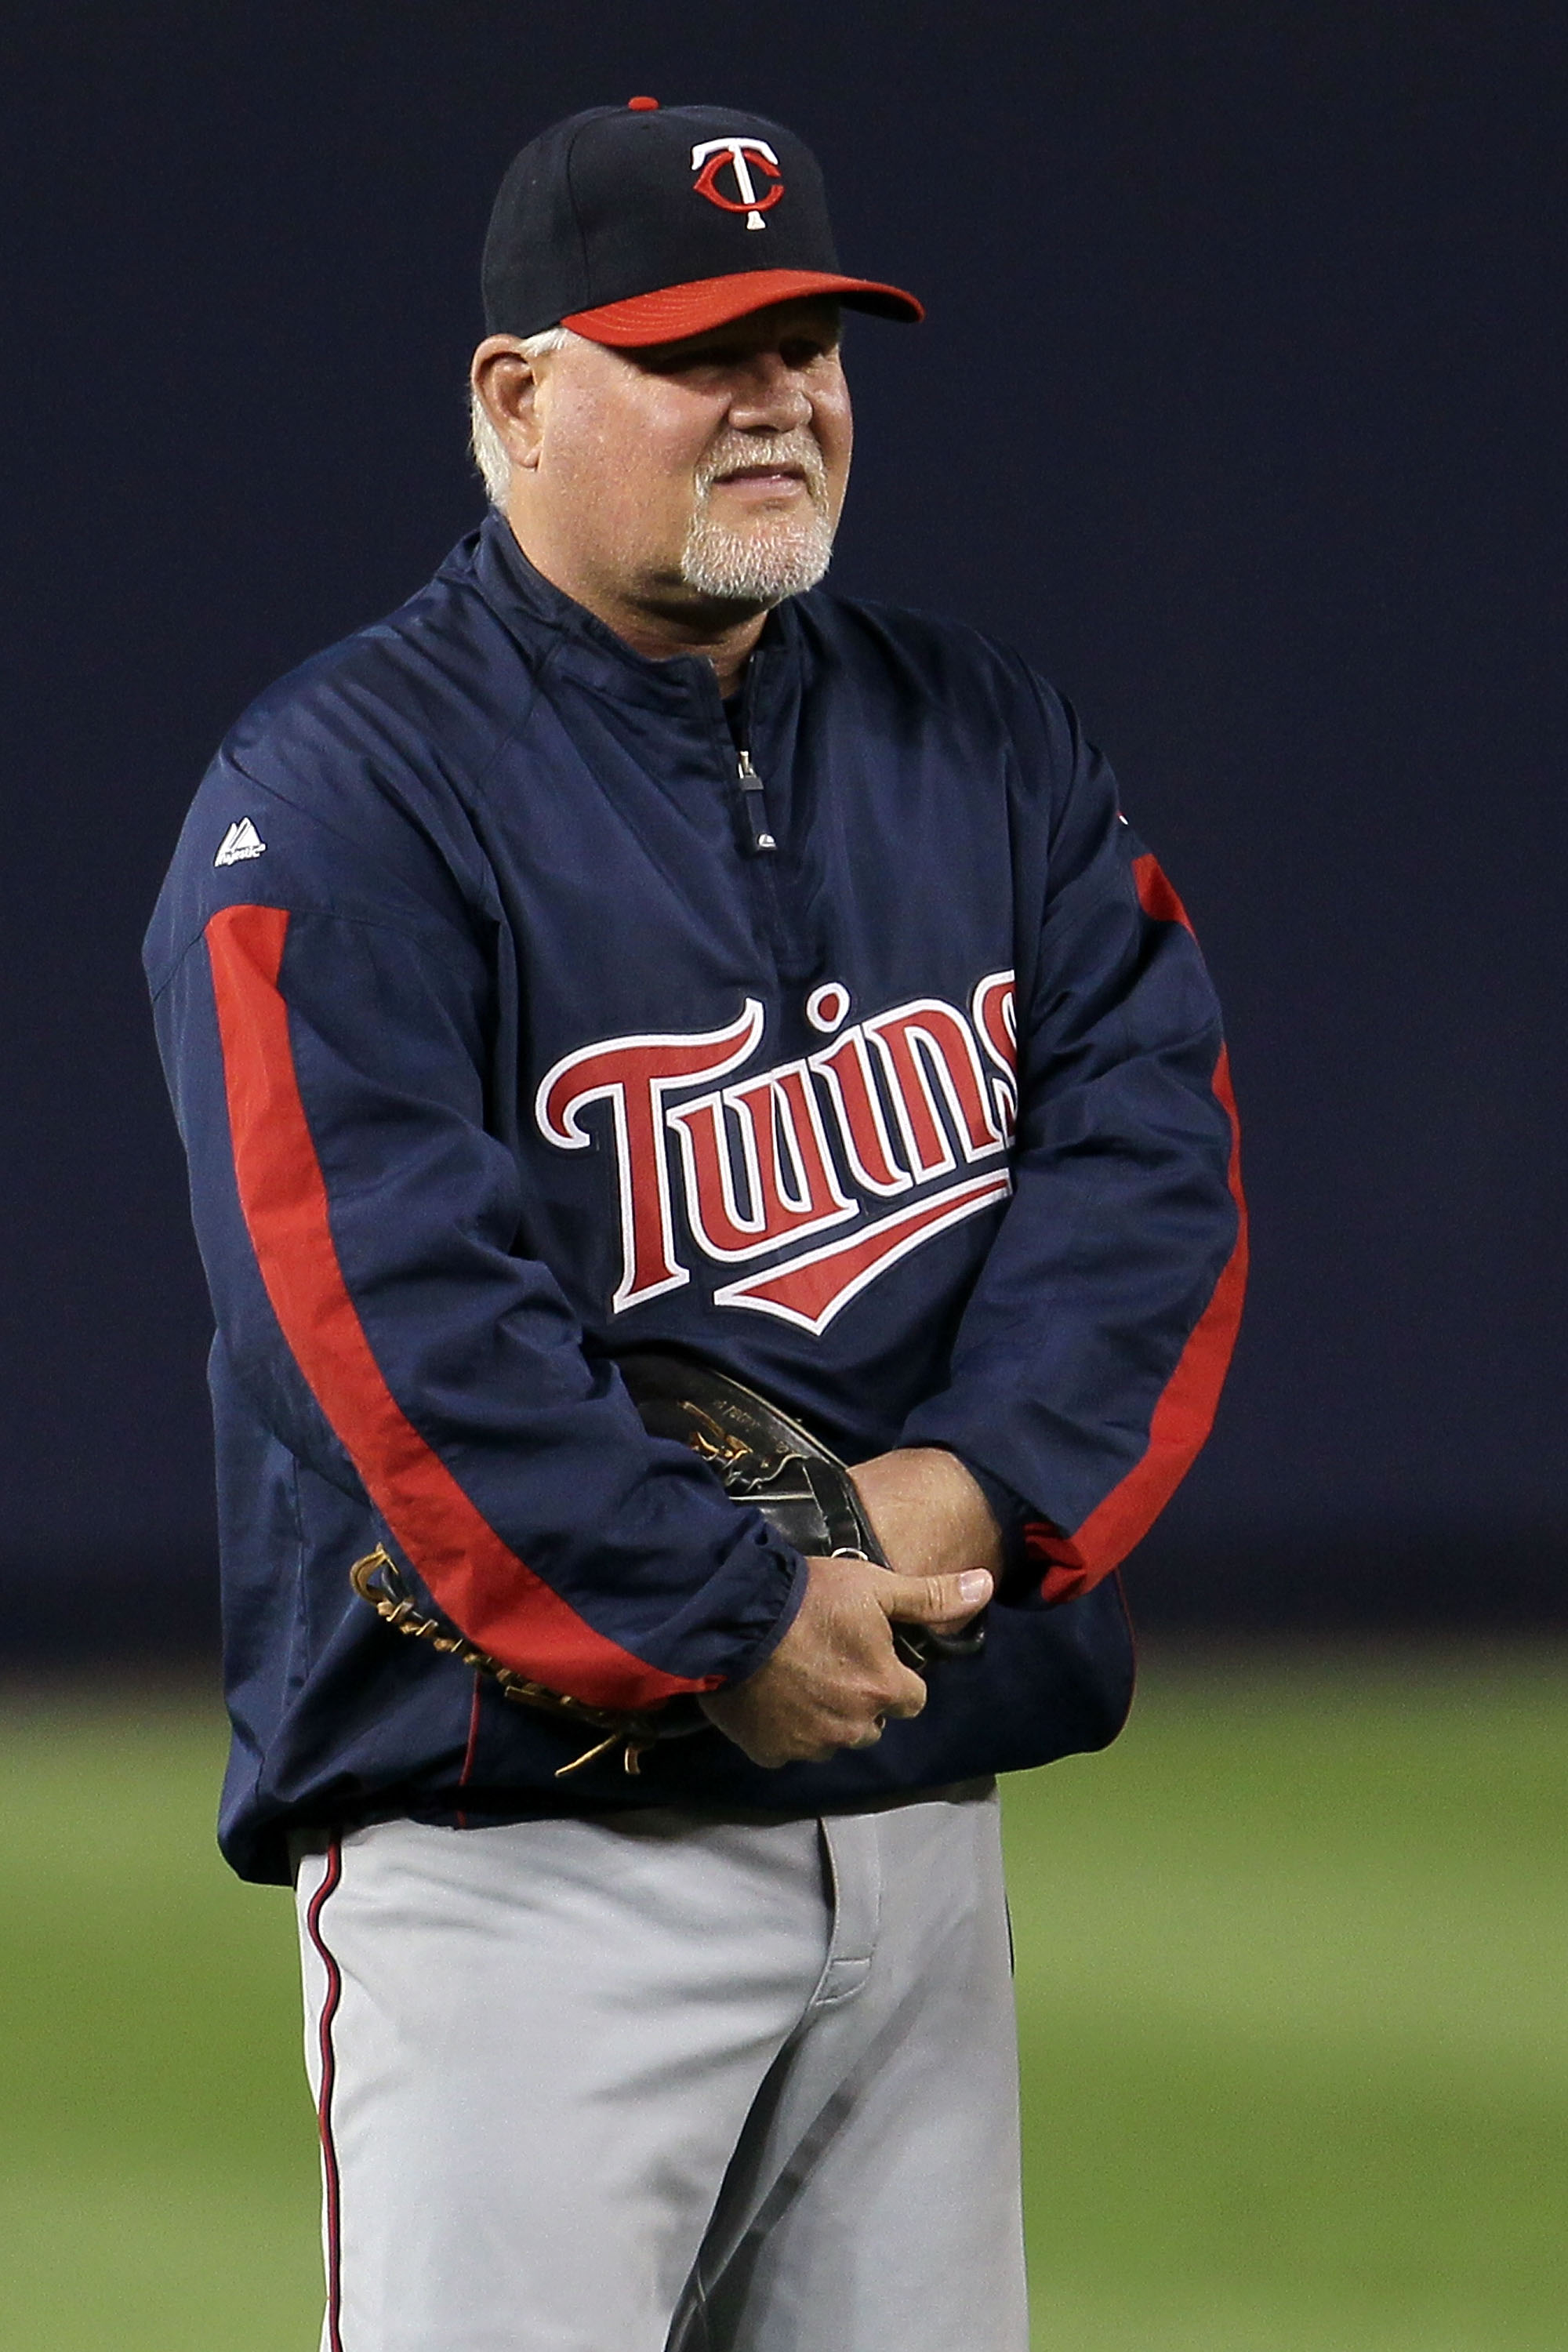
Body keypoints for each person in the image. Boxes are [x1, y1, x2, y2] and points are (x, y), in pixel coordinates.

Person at [146, 97, 1246, 2352]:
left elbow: (1155, 1148)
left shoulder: (986, 737)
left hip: (917, 1825)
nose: (779, 400)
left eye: (813, 344)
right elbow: (381, 1331)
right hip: (524, 1866)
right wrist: (731, 1605)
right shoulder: (338, 802)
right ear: (516, 398)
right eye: (699, 349)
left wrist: (974, 1489)